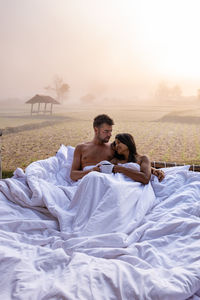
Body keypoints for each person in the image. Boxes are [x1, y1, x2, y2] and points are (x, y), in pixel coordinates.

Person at [70, 114, 164, 182]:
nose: (110, 135)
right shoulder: (81, 148)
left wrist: (153, 170)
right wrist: (91, 171)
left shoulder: (113, 147)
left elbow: (131, 160)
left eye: (111, 131)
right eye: (106, 131)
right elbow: (73, 175)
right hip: (89, 180)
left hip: (108, 181)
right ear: (96, 130)